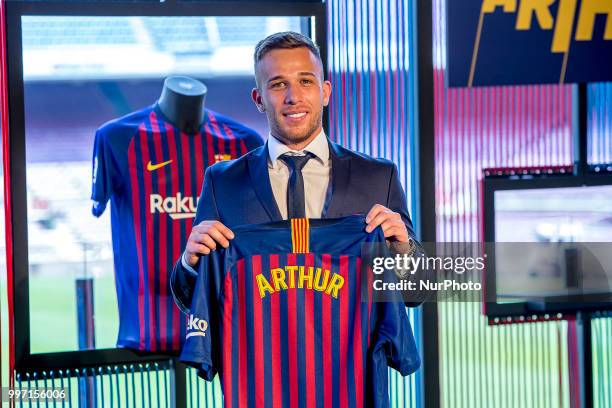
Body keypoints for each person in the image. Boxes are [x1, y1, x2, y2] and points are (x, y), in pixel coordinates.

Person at [171, 31, 422, 311]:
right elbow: (193, 301)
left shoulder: (378, 176)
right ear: (259, 99)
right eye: (278, 84)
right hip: (259, 353)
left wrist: (403, 251)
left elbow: (416, 294)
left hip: (353, 355)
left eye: (305, 81)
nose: (293, 96)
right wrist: (189, 262)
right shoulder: (223, 182)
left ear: (325, 92)